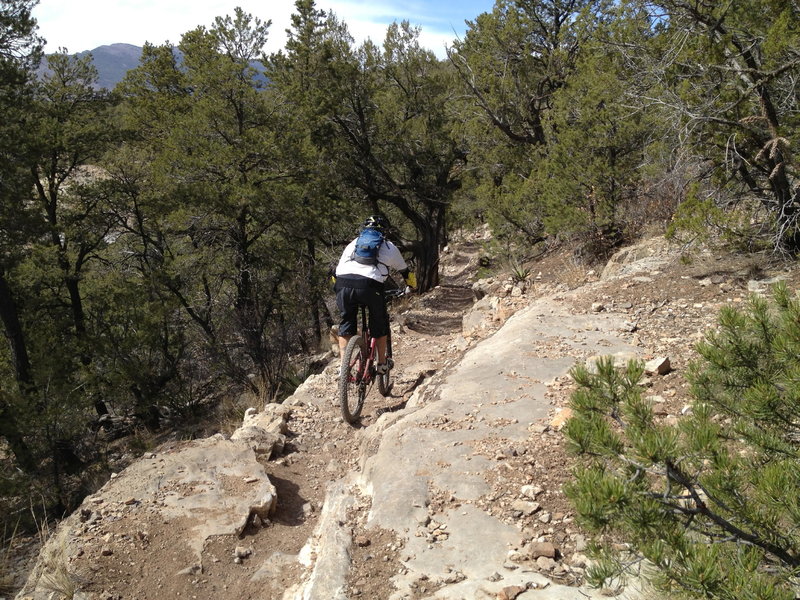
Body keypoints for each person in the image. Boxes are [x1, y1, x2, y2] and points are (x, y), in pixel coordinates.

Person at [334, 215, 416, 374]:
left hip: (343, 283)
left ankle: (343, 368)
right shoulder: (390, 246)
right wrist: (412, 287)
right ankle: (381, 364)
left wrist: (338, 288)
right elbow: (406, 273)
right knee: (379, 324)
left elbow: (337, 271)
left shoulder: (353, 243)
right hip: (369, 286)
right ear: (384, 232)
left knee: (346, 325)